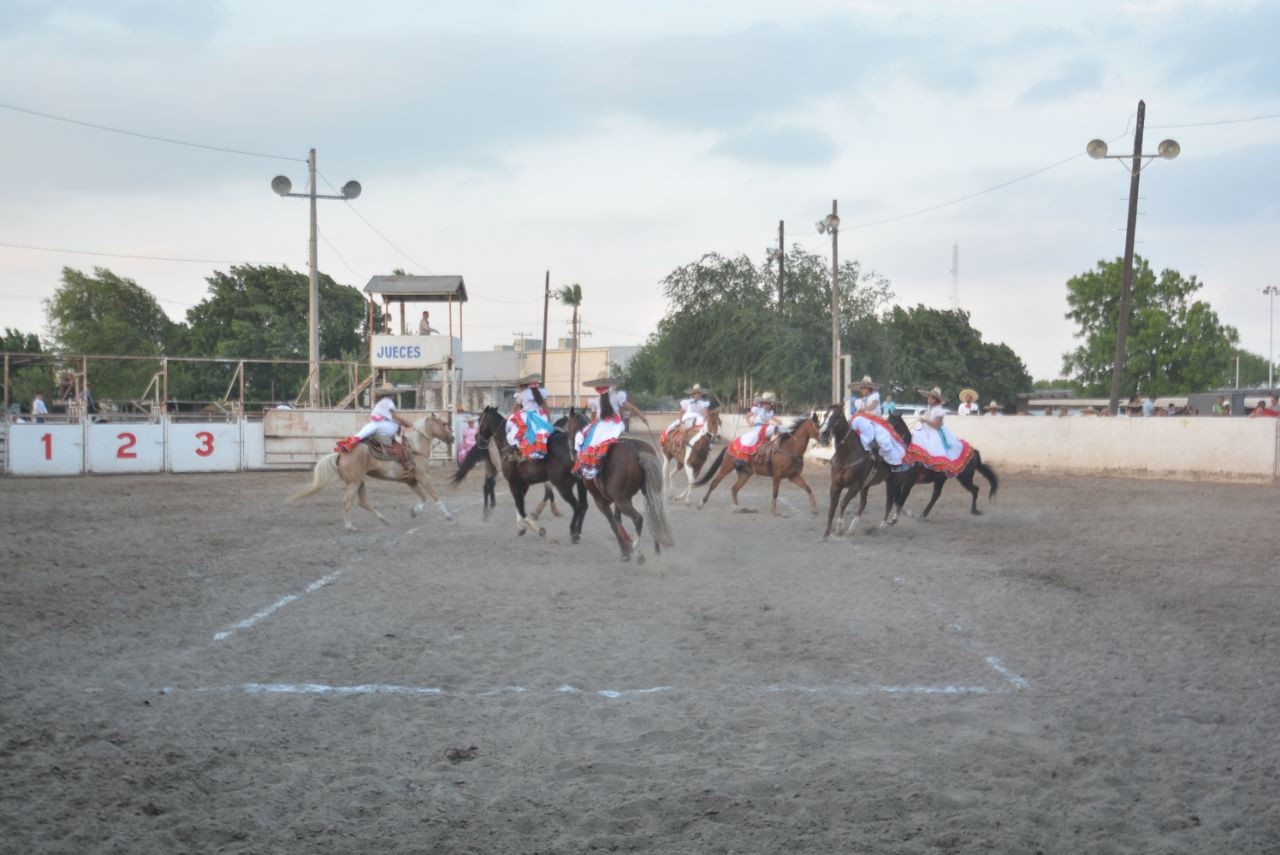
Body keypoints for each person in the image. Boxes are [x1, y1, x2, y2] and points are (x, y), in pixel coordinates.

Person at [574, 375, 648, 479]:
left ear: (596, 386)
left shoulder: (595, 401)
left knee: (586, 441)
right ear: (609, 385)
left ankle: (589, 465)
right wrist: (642, 417)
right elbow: (630, 407)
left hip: (601, 426)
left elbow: (593, 418)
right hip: (616, 425)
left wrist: (591, 426)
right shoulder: (617, 396)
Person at [335, 385, 417, 469]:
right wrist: (406, 423)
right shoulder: (388, 401)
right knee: (396, 436)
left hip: (379, 424)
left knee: (363, 433)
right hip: (386, 427)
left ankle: (350, 443)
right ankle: (406, 462)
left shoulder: (381, 402)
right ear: (390, 394)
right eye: (393, 394)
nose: (394, 396)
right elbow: (395, 417)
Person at [728, 391, 786, 465]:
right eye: (766, 403)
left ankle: (778, 446)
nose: (767, 405)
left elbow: (779, 422)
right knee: (775, 428)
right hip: (758, 429)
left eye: (769, 404)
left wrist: (776, 423)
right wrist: (749, 423)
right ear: (762, 404)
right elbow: (746, 416)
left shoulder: (769, 413)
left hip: (765, 428)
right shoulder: (757, 410)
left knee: (781, 428)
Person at [505, 373, 553, 460]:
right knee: (539, 433)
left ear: (524, 385)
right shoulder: (541, 392)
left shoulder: (522, 394)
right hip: (540, 416)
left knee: (515, 429)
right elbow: (545, 407)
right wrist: (549, 418)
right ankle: (539, 450)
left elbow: (515, 408)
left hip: (527, 415)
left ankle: (517, 451)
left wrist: (509, 416)